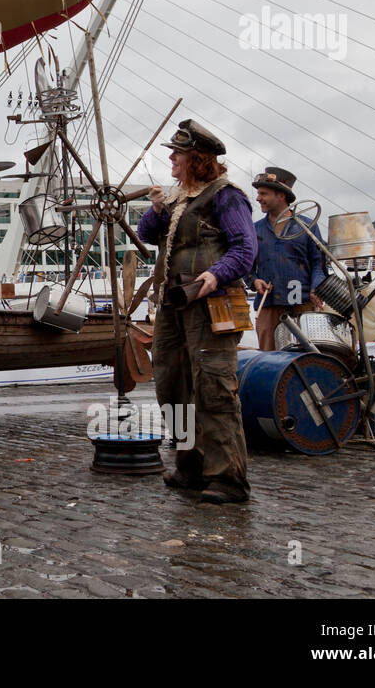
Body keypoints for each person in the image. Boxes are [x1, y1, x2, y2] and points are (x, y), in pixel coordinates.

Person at [138, 119, 257, 504]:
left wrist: (214, 275)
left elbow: (244, 248)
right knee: (172, 383)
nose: (171, 158)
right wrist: (156, 209)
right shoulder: (178, 199)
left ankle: (227, 477)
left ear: (197, 159)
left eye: (179, 153)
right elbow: (145, 233)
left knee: (213, 387)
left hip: (209, 304)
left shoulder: (226, 196)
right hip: (174, 303)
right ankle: (191, 465)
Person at [248, 168, 327, 350]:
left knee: (304, 357)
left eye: (263, 193)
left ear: (281, 196)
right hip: (268, 305)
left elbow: (319, 263)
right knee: (268, 360)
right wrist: (254, 281)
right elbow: (247, 266)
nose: (258, 198)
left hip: (303, 306)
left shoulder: (308, 227)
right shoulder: (254, 229)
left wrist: (316, 288)